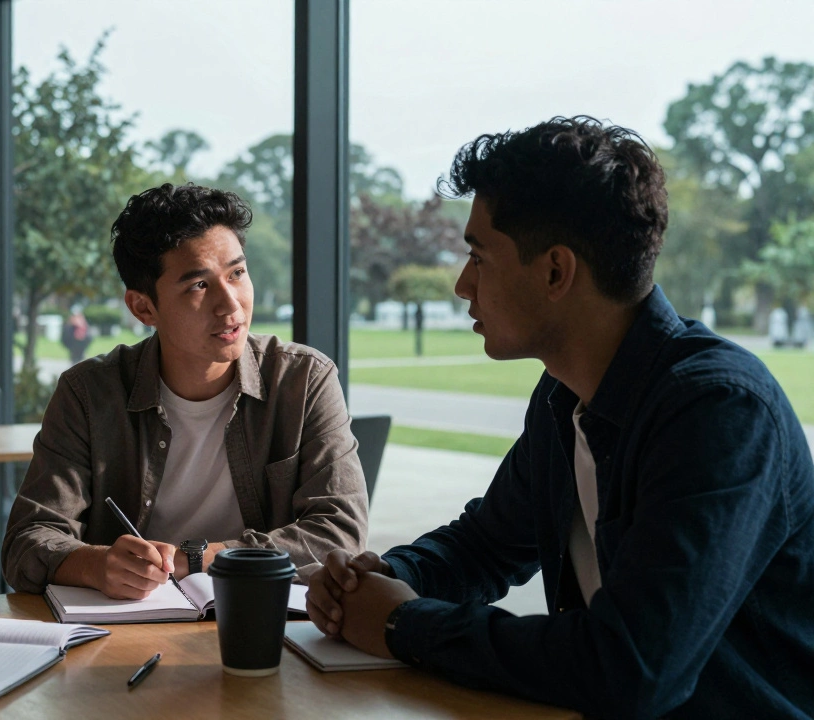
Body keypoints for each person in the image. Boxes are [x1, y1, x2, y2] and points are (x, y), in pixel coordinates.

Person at [306, 117, 814, 719]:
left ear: (555, 271)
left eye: (478, 256)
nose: (462, 284)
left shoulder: (721, 414)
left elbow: (632, 667)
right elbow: (485, 547)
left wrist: (401, 622)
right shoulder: (563, 397)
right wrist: (378, 578)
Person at [3, 183, 368, 599]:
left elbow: (339, 533)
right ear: (143, 308)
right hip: (128, 630)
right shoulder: (89, 393)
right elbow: (26, 541)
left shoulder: (303, 380)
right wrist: (98, 565)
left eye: (237, 273)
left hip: (261, 619)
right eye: (198, 286)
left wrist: (196, 558)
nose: (230, 305)